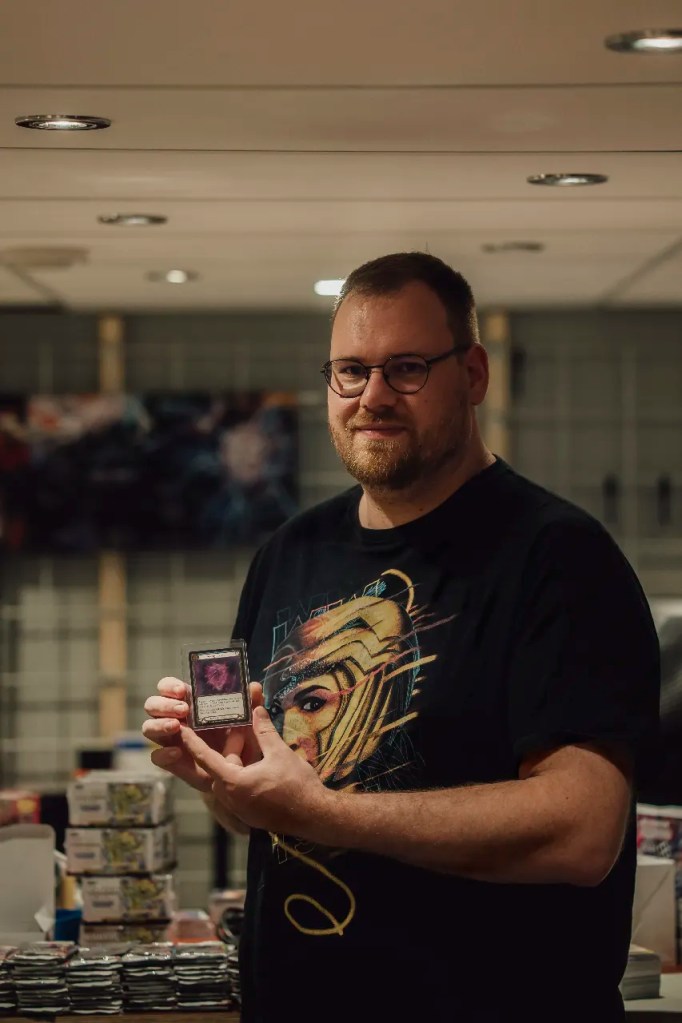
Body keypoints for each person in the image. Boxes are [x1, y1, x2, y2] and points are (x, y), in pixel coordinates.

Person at [143, 252, 660, 1023]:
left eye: (407, 367)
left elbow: (583, 833)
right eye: (350, 371)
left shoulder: (560, 558)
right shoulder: (288, 552)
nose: (373, 396)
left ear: (475, 374)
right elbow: (265, 811)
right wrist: (226, 776)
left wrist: (319, 809)